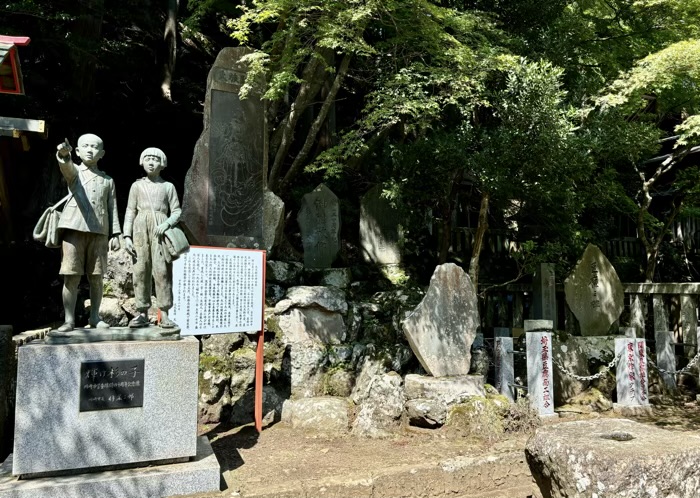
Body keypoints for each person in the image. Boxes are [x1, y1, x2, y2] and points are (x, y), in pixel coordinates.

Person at [55, 134, 121, 332]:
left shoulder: (108, 180)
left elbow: (113, 207)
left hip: (100, 231)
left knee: (97, 276)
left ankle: (94, 316)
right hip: (74, 228)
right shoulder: (75, 172)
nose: (90, 150)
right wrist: (62, 155)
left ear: (101, 154)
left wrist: (116, 233)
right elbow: (66, 167)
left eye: (94, 147)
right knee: (71, 275)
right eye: (86, 146)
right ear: (77, 151)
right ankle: (69, 320)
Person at [123, 147, 182, 329]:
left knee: (162, 271)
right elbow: (130, 210)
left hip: (160, 230)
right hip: (140, 229)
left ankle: (164, 314)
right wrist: (126, 235)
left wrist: (166, 224)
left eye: (155, 159)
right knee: (140, 270)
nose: (151, 162)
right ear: (142, 161)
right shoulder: (137, 186)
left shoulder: (168, 187)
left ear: (162, 164)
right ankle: (142, 313)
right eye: (147, 158)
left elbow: (177, 211)